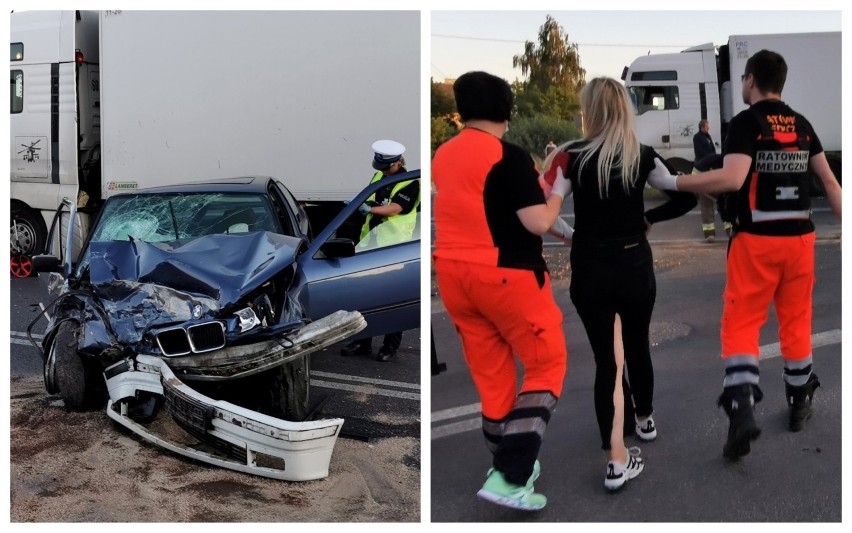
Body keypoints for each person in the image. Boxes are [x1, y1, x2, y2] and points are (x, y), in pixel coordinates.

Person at [649, 50, 841, 459]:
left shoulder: (745, 123)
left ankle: (741, 409)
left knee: (742, 323)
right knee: (796, 322)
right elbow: (829, 181)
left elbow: (734, 177)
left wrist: (679, 181)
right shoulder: (803, 125)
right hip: (800, 241)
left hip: (756, 240)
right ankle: (799, 401)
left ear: (751, 80)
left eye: (743, 80)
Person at [540, 77, 696, 491]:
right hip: (632, 264)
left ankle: (614, 444)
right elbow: (684, 195)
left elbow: (547, 208)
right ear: (626, 109)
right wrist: (651, 220)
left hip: (590, 267)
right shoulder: (641, 156)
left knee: (606, 361)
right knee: (638, 344)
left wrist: (576, 237)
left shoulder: (571, 157)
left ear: (588, 111)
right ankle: (644, 418)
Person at [432, 71, 572, 511]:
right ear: (507, 112)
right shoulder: (507, 156)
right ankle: (511, 476)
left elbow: (488, 207)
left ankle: (510, 468)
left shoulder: (444, 155)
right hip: (506, 274)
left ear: (463, 109)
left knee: (493, 379)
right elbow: (536, 221)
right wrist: (558, 195)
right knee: (546, 364)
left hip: (454, 276)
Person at [340, 139, 420, 362]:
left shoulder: (410, 182)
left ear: (397, 163)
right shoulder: (379, 176)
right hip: (370, 244)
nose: (382, 171)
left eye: (385, 167)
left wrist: (370, 209)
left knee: (393, 299)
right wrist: (358, 203)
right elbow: (371, 194)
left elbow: (396, 208)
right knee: (364, 296)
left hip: (394, 248)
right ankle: (363, 341)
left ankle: (390, 347)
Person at [692, 120, 730, 242]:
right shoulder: (698, 138)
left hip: (711, 172)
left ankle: (730, 229)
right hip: (702, 173)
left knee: (724, 201)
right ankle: (709, 234)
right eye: (707, 125)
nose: (709, 127)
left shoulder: (707, 137)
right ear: (702, 127)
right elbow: (703, 155)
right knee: (707, 203)